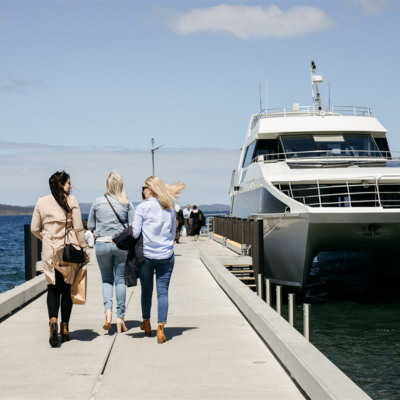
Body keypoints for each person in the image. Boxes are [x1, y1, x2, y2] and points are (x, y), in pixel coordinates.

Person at [31, 171, 89, 347]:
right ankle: (64, 329)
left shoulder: (42, 201)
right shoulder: (71, 201)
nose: (70, 186)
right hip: (67, 249)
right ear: (60, 184)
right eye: (68, 183)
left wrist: (46, 238)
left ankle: (53, 322)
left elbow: (34, 228)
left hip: (50, 250)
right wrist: (83, 249)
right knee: (66, 288)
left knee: (52, 287)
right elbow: (79, 228)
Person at [132, 176, 185, 343]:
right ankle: (161, 329)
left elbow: (134, 233)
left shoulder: (141, 207)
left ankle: (146, 323)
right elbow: (172, 233)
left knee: (146, 292)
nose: (142, 191)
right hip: (166, 255)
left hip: (147, 255)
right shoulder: (169, 208)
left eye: (143, 187)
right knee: (163, 293)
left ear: (150, 189)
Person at [87, 171, 135, 333]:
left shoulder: (98, 201)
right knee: (120, 280)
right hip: (120, 245)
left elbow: (91, 226)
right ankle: (120, 317)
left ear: (107, 185)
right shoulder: (126, 202)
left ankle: (107, 311)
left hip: (101, 244)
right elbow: (133, 225)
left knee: (106, 280)